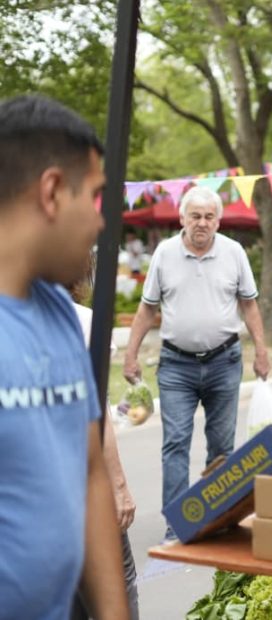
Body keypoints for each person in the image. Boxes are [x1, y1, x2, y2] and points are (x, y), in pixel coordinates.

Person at [0, 94, 127, 618]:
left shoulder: (60, 311)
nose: (101, 224)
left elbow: (90, 468)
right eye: (95, 198)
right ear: (52, 192)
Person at [123, 185, 270, 540]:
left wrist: (262, 351)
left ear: (218, 221)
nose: (202, 223)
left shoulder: (234, 252)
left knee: (221, 447)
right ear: (182, 219)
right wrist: (130, 354)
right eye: (195, 216)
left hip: (225, 361)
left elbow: (249, 305)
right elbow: (147, 309)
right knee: (175, 443)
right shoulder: (164, 253)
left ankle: (217, 519)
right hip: (176, 365)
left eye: (208, 217)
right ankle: (178, 524)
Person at [67, 256, 139, 620]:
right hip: (80, 484)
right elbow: (97, 415)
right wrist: (118, 486)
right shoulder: (81, 322)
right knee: (115, 583)